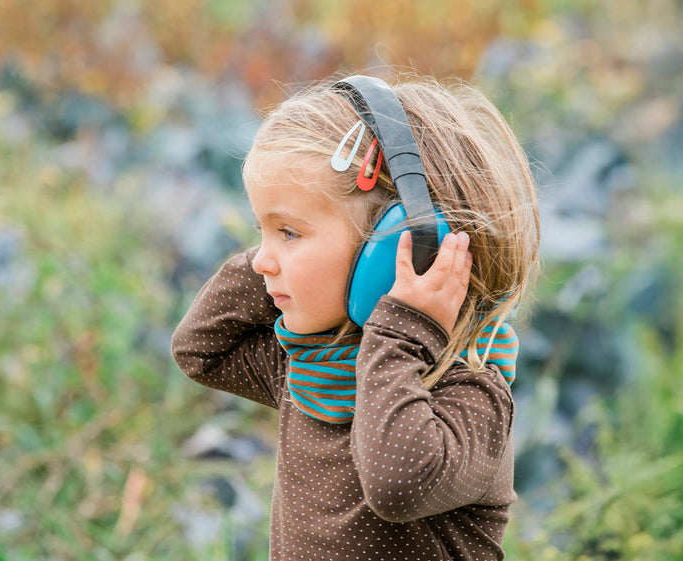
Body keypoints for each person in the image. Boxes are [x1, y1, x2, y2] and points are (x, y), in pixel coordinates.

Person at [171, 73, 540, 560]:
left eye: (289, 233)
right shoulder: (309, 369)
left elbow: (396, 483)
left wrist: (401, 334)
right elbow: (199, 351)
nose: (260, 258)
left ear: (390, 252)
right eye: (261, 230)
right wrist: (280, 260)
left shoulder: (470, 395)